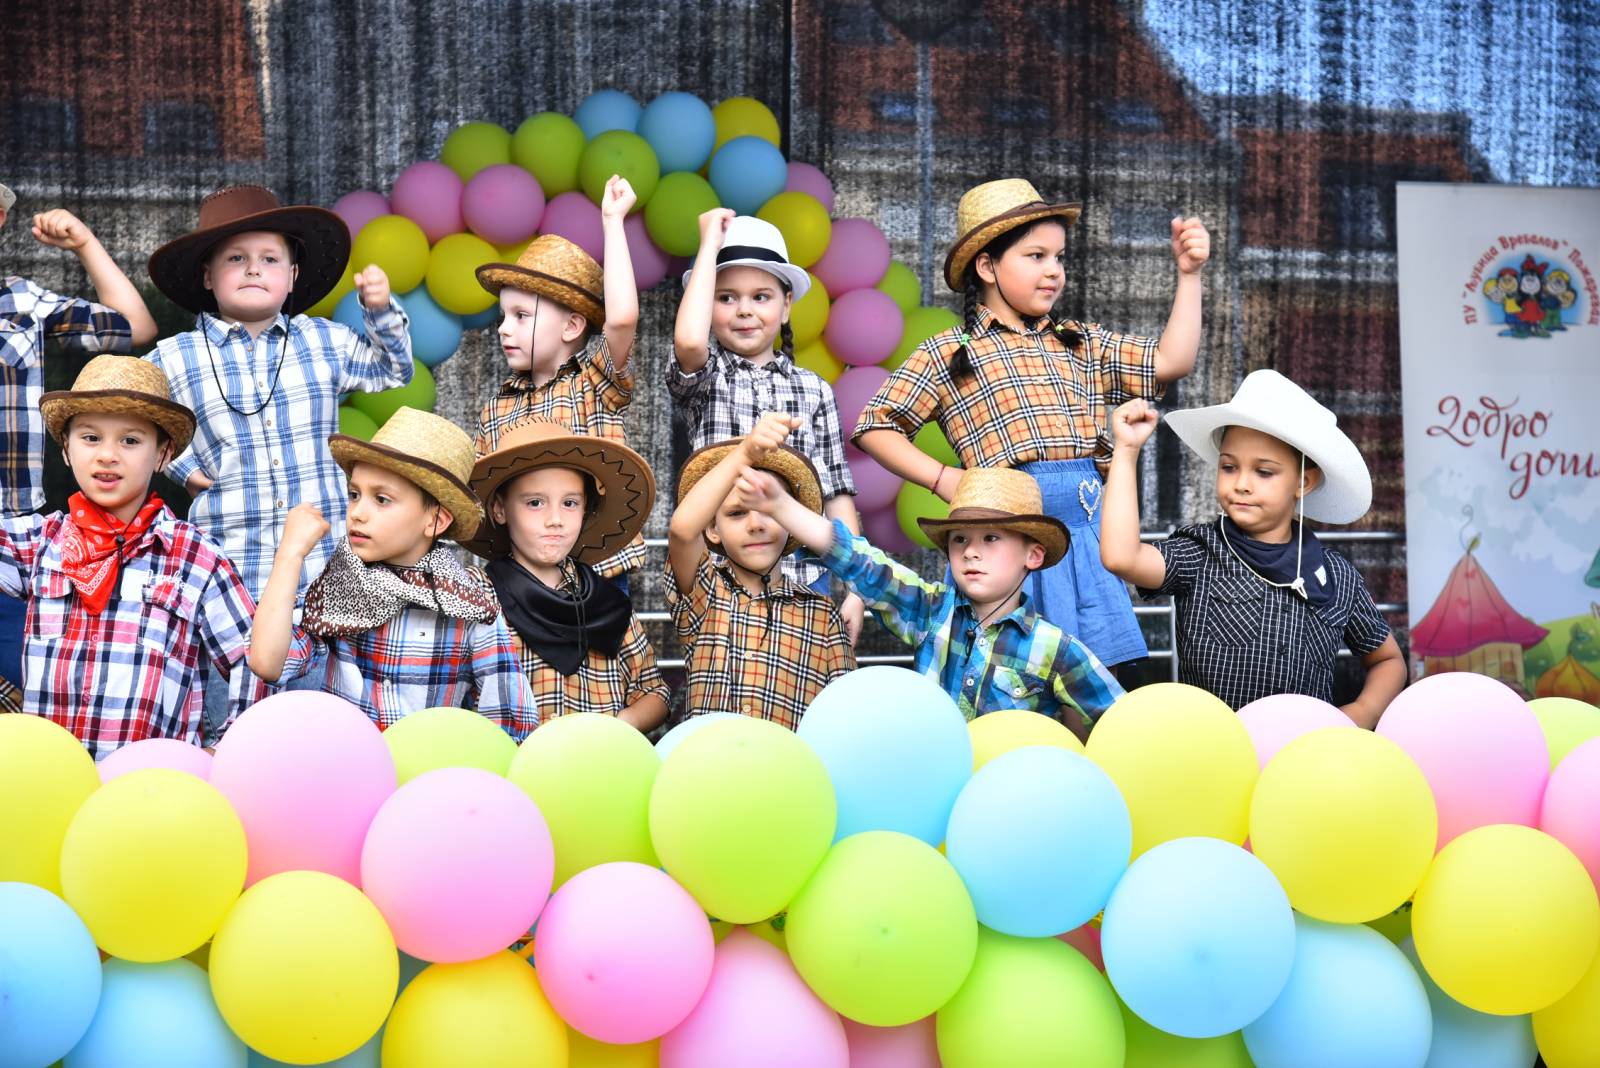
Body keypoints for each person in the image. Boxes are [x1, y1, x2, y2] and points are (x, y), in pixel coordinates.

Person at [853, 178, 1209, 671]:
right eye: (1036, 256)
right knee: (1013, 680)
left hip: (1088, 540)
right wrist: (944, 478)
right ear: (987, 266)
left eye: (1059, 258)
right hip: (1007, 543)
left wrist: (1189, 276)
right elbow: (874, 424)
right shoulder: (949, 352)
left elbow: (1170, 360)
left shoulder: (1079, 341)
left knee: (1103, 685)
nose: (1054, 270)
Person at [145, 184, 413, 602]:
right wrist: (183, 467)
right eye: (236, 258)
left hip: (326, 570)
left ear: (292, 277)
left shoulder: (325, 340)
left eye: (269, 259)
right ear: (208, 275)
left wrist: (380, 311)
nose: (254, 269)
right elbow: (136, 419)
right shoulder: (175, 356)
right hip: (229, 575)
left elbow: (392, 369)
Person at [1099, 370, 1405, 723]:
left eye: (1264, 472)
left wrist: (1359, 714)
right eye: (1229, 467)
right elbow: (1121, 557)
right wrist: (1127, 451)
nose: (1242, 483)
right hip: (1217, 750)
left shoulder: (1337, 577)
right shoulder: (1199, 554)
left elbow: (1388, 660)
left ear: (1303, 482)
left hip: (1301, 752)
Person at [737, 465, 1123, 739]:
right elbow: (862, 563)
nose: (971, 552)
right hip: (931, 792)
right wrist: (781, 506)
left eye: (991, 538)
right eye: (960, 539)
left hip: (1008, 808)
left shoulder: (1057, 649)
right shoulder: (931, 611)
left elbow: (1119, 724)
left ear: (1033, 555)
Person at [0, 356, 262, 759]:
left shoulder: (196, 558)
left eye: (130, 441)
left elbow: (256, 660)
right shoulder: (39, 542)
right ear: (66, 449)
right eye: (90, 438)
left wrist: (224, 750)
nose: (107, 455)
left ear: (162, 454)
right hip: (49, 783)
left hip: (150, 789)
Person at [248, 407, 537, 739]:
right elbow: (267, 664)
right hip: (347, 766)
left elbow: (511, 727)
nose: (357, 513)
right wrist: (289, 555)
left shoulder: (470, 607)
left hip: (426, 770)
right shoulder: (337, 588)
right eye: (354, 495)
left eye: (382, 499)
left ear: (436, 520)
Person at [670, 210, 865, 642]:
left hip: (805, 577)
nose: (744, 310)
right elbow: (689, 341)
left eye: (761, 297)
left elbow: (836, 493)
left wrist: (856, 588)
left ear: (786, 305)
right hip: (721, 576)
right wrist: (708, 247)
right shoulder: (707, 377)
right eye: (726, 298)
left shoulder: (814, 389)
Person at [0, 184, 159, 707]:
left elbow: (136, 327)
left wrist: (85, 244)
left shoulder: (22, 303)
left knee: (33, 704)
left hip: (11, 547)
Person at [473, 176, 645, 583]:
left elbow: (622, 320)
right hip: (525, 577)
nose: (503, 329)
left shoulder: (594, 384)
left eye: (521, 316)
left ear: (571, 326)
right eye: (502, 317)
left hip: (599, 574)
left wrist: (613, 221)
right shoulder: (496, 408)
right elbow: (482, 497)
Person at [465, 419, 669, 730]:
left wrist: (614, 728)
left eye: (570, 503)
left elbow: (654, 692)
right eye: (535, 503)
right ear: (500, 509)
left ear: (585, 509)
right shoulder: (477, 597)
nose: (555, 519)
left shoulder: (608, 603)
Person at [666, 412, 854, 730]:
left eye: (769, 509)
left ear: (790, 518)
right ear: (712, 529)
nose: (755, 524)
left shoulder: (823, 616)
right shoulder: (705, 592)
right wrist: (746, 452)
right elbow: (683, 530)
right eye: (737, 513)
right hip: (709, 761)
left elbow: (842, 717)